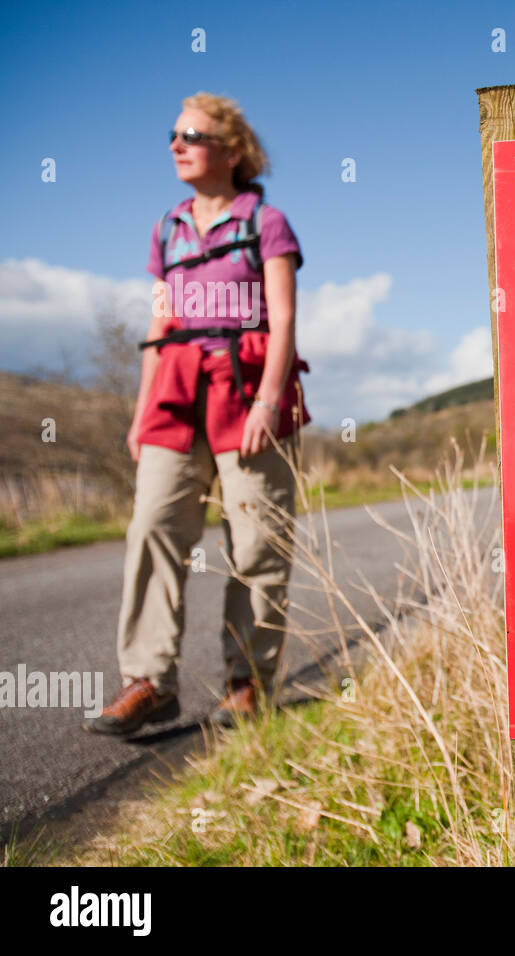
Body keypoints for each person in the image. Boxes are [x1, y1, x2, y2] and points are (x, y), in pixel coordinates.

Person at [84, 92, 309, 736]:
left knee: (257, 539)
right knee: (153, 523)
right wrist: (139, 412)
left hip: (248, 386)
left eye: (194, 135)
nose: (178, 144)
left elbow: (285, 317)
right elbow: (161, 320)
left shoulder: (265, 222)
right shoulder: (167, 230)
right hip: (177, 388)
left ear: (232, 152)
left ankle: (247, 684)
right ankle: (149, 681)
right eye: (174, 135)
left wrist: (269, 399)